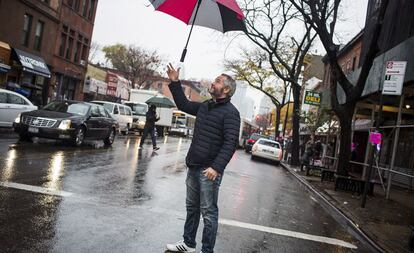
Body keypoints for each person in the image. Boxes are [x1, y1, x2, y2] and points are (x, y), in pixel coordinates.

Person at [165, 63, 240, 253]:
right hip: (194, 166)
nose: (213, 83)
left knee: (208, 213)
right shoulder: (206, 106)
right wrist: (175, 82)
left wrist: (216, 167)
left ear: (226, 89)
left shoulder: (231, 113)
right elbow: (183, 104)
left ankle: (207, 251)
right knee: (192, 207)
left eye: (218, 81)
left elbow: (230, 143)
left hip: (209, 171)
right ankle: (188, 243)